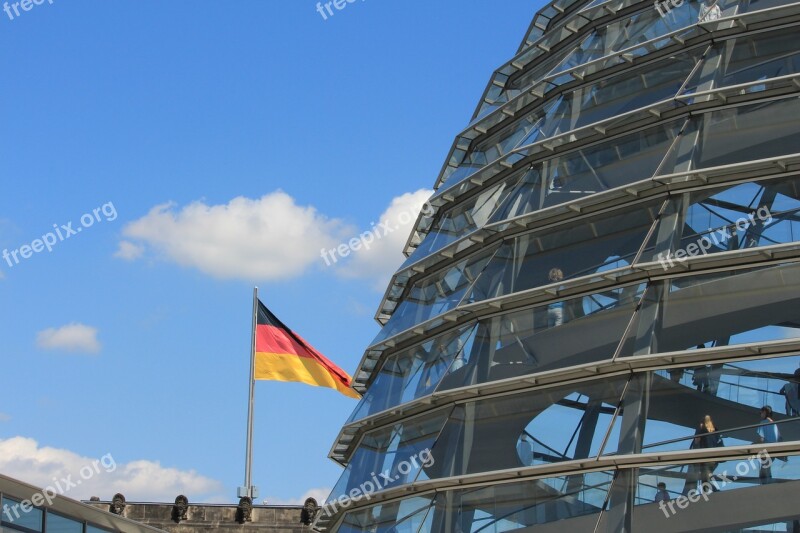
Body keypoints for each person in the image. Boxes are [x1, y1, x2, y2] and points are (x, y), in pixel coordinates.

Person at [692, 415, 722, 491]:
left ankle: (712, 493)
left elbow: (696, 441)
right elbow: (719, 443)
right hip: (714, 459)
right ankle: (711, 492)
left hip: (706, 458)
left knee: (705, 478)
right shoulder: (716, 431)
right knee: (706, 477)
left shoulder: (702, 430)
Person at [756, 406, 780, 484]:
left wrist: (755, 446)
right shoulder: (774, 423)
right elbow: (778, 438)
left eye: (761, 412)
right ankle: (768, 484)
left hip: (765, 450)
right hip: (774, 450)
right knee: (767, 468)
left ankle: (765, 486)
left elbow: (761, 438)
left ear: (765, 412)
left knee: (764, 469)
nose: (760, 414)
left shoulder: (762, 423)